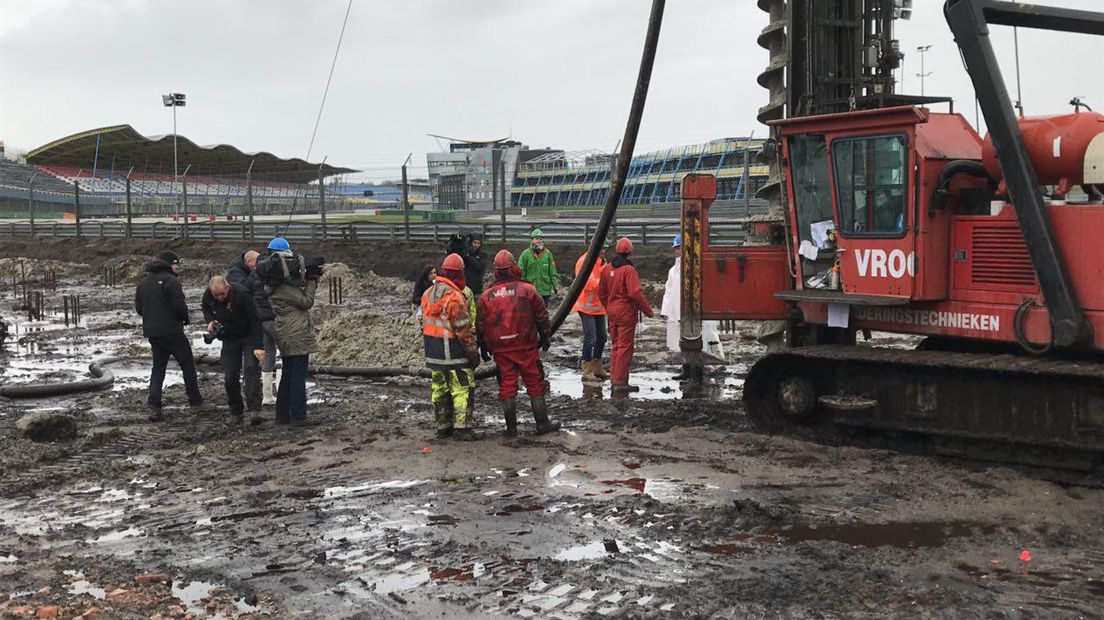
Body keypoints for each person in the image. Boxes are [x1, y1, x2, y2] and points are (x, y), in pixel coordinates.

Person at [477, 250, 559, 437]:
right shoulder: (527, 290)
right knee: (534, 382)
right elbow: (541, 315)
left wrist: (482, 346)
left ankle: (511, 427)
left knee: (507, 384)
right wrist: (545, 336)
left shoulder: (487, 296)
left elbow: (480, 324)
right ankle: (542, 423)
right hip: (526, 346)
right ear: (514, 266)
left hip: (502, 350)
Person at [135, 250, 202, 420]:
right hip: (172, 331)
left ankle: (154, 405)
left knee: (158, 368)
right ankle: (195, 401)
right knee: (187, 364)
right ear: (169, 264)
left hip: (153, 333)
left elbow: (139, 309)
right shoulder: (171, 281)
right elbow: (179, 305)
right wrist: (185, 319)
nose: (178, 267)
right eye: (176, 264)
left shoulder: (143, 284)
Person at [421, 253, 480, 440]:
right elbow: (463, 329)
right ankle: (462, 428)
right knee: (462, 388)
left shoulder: (428, 294)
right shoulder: (455, 297)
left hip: (433, 353)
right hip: (454, 353)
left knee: (440, 388)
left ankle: (443, 426)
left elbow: (423, 322)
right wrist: (472, 353)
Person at [261, 240, 319, 427]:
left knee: (287, 374)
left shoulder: (273, 284)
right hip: (295, 333)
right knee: (297, 377)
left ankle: (282, 416)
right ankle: (298, 416)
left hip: (285, 333)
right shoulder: (282, 288)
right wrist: (311, 282)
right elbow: (306, 301)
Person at [202, 275, 264, 424]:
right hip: (229, 337)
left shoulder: (242, 294)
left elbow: (255, 320)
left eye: (222, 294)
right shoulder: (209, 294)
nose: (220, 298)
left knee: (251, 370)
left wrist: (258, 346)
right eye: (216, 295)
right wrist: (210, 320)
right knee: (230, 376)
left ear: (227, 288)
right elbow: (205, 306)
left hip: (248, 334)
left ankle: (254, 410)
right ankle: (236, 411)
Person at [661, 234, 724, 380]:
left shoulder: (696, 267)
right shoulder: (673, 271)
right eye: (676, 248)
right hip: (678, 312)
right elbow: (668, 290)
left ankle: (698, 370)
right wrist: (666, 310)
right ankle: (686, 370)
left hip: (693, 312)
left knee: (697, 340)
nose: (677, 251)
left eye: (679, 248)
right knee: (682, 341)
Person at [597, 237, 653, 392]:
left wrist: (608, 306)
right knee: (624, 347)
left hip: (612, 312)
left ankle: (615, 378)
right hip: (625, 313)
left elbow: (601, 291)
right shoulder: (629, 270)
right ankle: (620, 381)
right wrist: (648, 311)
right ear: (630, 252)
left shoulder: (607, 268)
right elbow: (635, 292)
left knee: (615, 345)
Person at [253, 239, 288, 406]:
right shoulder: (274, 269)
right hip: (274, 318)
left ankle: (267, 396)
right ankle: (282, 392)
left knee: (268, 356)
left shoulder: (258, 268)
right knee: (286, 352)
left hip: (261, 320)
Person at [572, 240, 610, 382]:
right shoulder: (584, 261)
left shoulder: (602, 262)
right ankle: (586, 370)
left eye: (605, 249)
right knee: (590, 338)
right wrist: (603, 284)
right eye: (601, 248)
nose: (603, 251)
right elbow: (587, 282)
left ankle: (597, 366)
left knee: (602, 337)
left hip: (598, 306)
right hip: (585, 306)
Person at [518, 228, 557, 305]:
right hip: (530, 290)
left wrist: (554, 285)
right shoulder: (525, 254)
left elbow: (552, 271)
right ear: (532, 240)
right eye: (536, 238)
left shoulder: (547, 254)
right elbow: (521, 271)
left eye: (540, 239)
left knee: (543, 312)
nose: (538, 241)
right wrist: (521, 286)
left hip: (544, 290)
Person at [462, 231, 489, 297]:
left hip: (477, 289)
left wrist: (469, 256)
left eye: (478, 243)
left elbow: (479, 266)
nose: (476, 245)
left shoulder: (483, 255)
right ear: (471, 242)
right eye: (474, 242)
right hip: (466, 287)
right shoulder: (465, 254)